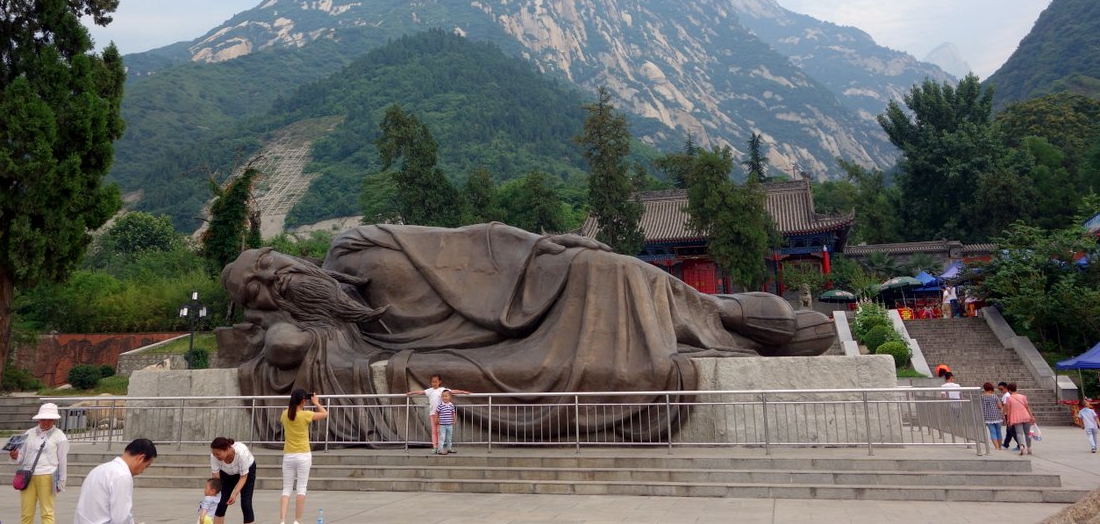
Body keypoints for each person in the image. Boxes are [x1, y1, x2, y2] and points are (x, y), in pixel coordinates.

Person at [221, 223, 836, 442]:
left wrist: (541, 245)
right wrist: (274, 325)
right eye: (258, 287)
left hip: (531, 286)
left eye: (269, 263)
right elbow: (283, 349)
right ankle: (735, 323)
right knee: (630, 320)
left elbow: (470, 242)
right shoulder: (321, 332)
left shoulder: (353, 245)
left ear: (287, 254)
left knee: (612, 270)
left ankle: (727, 315)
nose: (275, 278)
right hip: (494, 341)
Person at [73, 438, 157, 524]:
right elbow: (120, 519)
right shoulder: (122, 476)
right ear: (140, 458)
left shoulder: (99, 469)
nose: (143, 471)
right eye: (146, 466)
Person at [11, 402, 70, 524]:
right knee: (26, 513)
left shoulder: (60, 436)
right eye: (43, 419)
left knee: (47, 513)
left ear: (54, 420)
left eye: (50, 420)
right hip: (27, 476)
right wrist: (15, 456)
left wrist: (61, 481)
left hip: (48, 475)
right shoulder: (29, 433)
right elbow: (21, 457)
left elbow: (62, 460)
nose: (46, 422)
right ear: (39, 419)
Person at [278, 388, 328, 524]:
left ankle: (282, 520)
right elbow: (325, 413)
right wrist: (316, 402)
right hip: (303, 455)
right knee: (301, 488)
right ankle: (297, 520)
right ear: (303, 401)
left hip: (288, 455)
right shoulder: (306, 415)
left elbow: (289, 416)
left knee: (286, 489)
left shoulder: (284, 414)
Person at [406, 375, 470, 453]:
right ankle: (435, 447)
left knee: (440, 431)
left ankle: (440, 447)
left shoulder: (442, 390)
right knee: (434, 431)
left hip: (441, 415)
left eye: (436, 382)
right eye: (433, 382)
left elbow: (453, 391)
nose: (434, 383)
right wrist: (412, 392)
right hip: (433, 414)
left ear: (439, 382)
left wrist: (463, 392)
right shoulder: (430, 390)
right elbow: (421, 392)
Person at [210, 437, 256, 524]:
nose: (216, 456)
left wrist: (234, 494)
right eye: (214, 454)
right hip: (226, 473)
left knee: (246, 503)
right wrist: (213, 494)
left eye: (218, 454)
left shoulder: (241, 453)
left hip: (246, 472)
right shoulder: (214, 457)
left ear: (227, 449)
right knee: (221, 502)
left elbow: (243, 477)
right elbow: (216, 478)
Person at [1003, 382, 1037, 456]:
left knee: (1019, 433)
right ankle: (1029, 448)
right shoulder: (1023, 397)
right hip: (1025, 415)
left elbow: (1009, 410)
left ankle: (1021, 446)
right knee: (1028, 433)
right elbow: (1027, 407)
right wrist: (1032, 417)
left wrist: (1008, 420)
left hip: (1016, 417)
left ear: (1009, 390)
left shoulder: (1009, 398)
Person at [980, 382, 1003, 450]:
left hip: (987, 417)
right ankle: (1000, 447)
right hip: (996, 416)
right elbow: (1000, 406)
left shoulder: (982, 397)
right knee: (998, 431)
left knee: (992, 432)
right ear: (991, 388)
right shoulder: (994, 396)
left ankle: (996, 447)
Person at [435, 390, 456, 455]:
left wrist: (454, 420)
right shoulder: (440, 405)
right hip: (442, 424)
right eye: (443, 396)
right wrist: (436, 419)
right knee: (442, 437)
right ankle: (440, 450)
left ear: (449, 397)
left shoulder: (451, 405)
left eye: (446, 396)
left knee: (449, 437)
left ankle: (449, 448)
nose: (444, 398)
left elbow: (453, 413)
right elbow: (437, 413)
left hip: (449, 424)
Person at [998, 382, 1019, 451]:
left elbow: (1005, 406)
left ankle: (1020, 444)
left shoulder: (1006, 395)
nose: (1000, 391)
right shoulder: (1006, 395)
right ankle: (1006, 444)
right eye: (999, 389)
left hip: (1008, 414)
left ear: (1006, 388)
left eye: (1001, 389)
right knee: (1009, 430)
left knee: (1011, 430)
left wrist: (1003, 415)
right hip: (1009, 414)